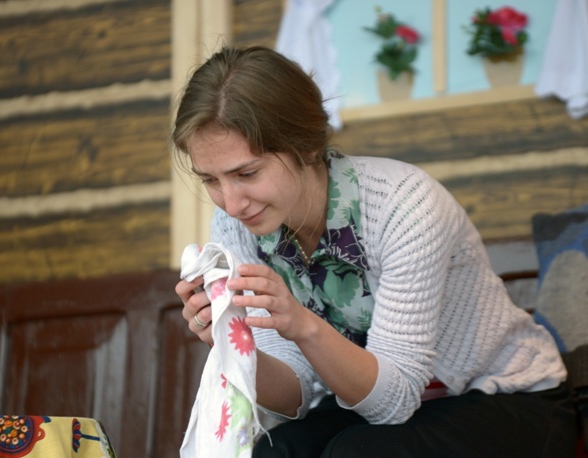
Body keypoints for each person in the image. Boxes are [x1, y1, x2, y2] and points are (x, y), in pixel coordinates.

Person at [172, 45, 577, 457]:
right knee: (278, 451)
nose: (232, 202)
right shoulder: (235, 227)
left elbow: (393, 403)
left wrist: (302, 324)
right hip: (387, 411)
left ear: (306, 145)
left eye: (247, 173)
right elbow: (294, 397)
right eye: (211, 181)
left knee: (360, 452)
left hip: (510, 397)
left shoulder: (405, 205)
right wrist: (226, 340)